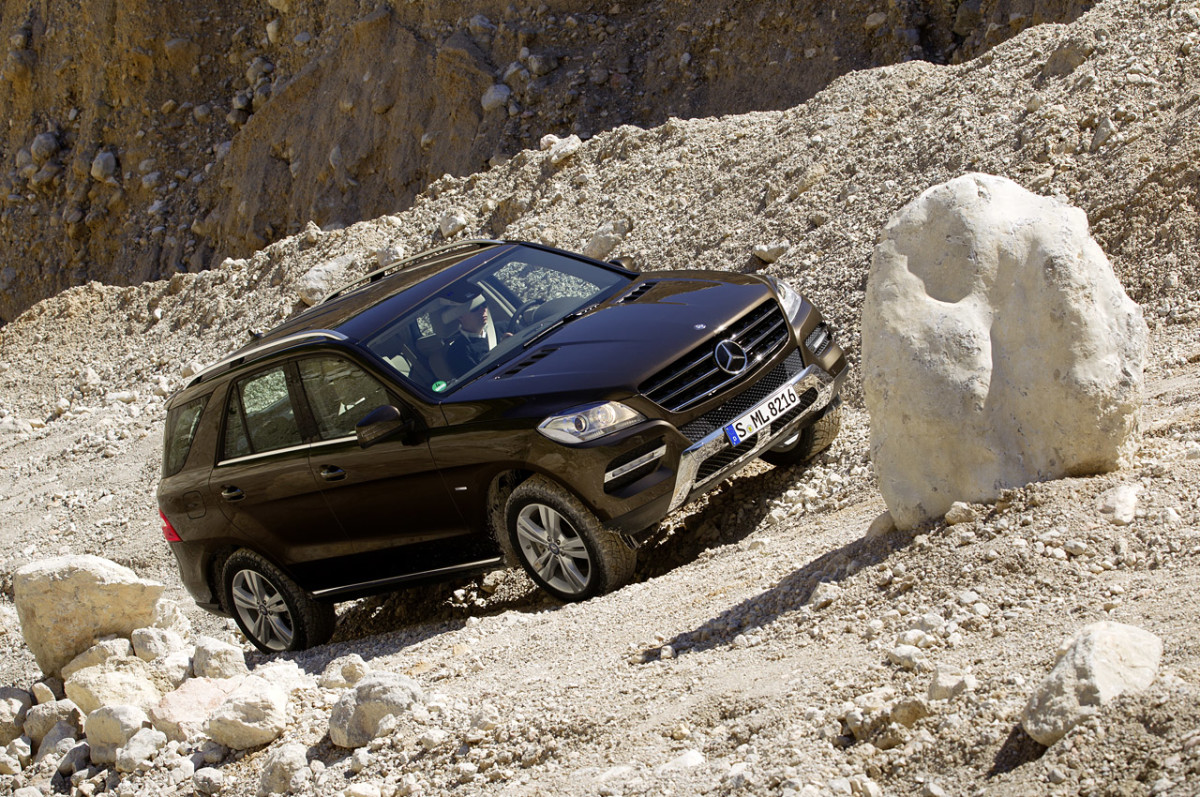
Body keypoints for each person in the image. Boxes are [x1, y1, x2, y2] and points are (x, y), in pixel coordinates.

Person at [442, 294, 495, 376]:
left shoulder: (504, 327)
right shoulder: (457, 352)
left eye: (484, 304)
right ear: (460, 317)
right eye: (475, 308)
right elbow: (479, 379)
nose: (483, 310)